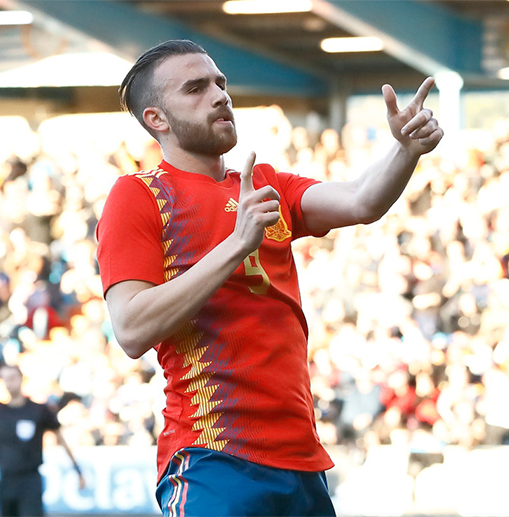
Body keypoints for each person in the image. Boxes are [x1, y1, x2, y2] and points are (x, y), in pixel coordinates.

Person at [96, 39, 442, 516]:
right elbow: (131, 328)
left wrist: (405, 150)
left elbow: (362, 200)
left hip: (302, 459)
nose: (219, 95)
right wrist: (236, 244)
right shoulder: (138, 196)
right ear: (157, 119)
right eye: (196, 89)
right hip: (213, 456)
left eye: (220, 83)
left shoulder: (266, 185)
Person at [0, 364, 86, 517]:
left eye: (12, 378)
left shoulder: (38, 410)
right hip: (6, 480)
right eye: (4, 379)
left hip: (30, 479)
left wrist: (77, 470)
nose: (8, 383)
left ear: (21, 379)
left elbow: (61, 439)